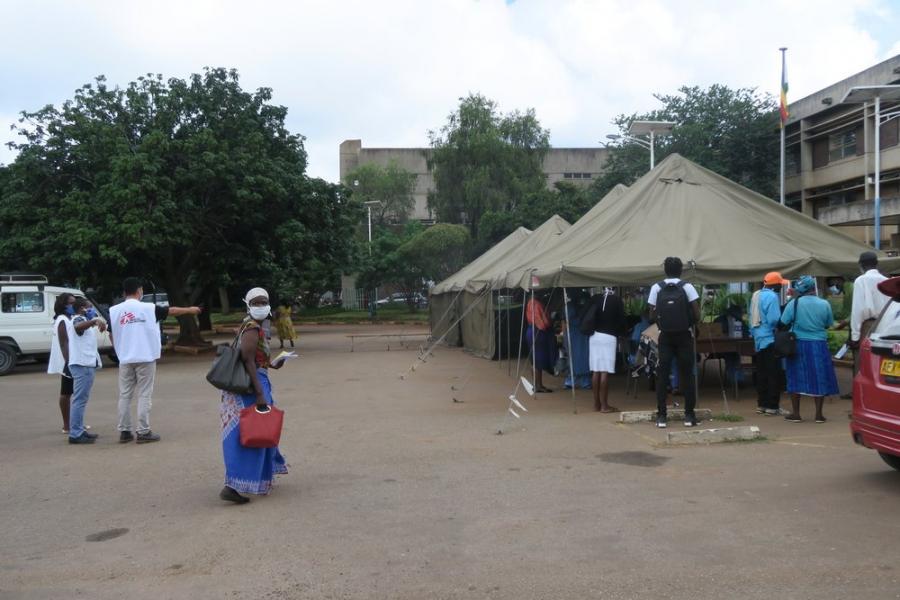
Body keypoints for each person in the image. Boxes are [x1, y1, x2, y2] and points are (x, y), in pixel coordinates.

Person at [109, 277, 202, 444]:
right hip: (145, 356)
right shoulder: (148, 308)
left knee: (125, 395)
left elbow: (111, 333)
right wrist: (190, 309)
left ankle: (124, 431)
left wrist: (120, 349)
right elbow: (171, 311)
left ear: (124, 292)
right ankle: (143, 431)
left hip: (125, 358)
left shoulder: (114, 311)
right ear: (139, 291)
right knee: (144, 393)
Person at [220, 288, 289, 504]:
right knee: (253, 433)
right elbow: (248, 360)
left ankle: (252, 479)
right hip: (251, 388)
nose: (261, 306)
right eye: (257, 302)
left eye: (264, 302)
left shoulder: (252, 326)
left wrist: (273, 364)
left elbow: (256, 358)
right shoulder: (251, 328)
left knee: (257, 432)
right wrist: (259, 393)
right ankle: (233, 485)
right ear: (248, 304)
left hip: (252, 383)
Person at [648, 257, 701, 428]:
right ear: (681, 270)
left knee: (662, 375)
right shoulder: (687, 287)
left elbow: (651, 314)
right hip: (684, 335)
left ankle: (662, 416)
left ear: (665, 270)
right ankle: (689, 415)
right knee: (687, 374)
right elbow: (697, 312)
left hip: (665, 336)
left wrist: (663, 322)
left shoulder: (656, 287)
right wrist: (689, 321)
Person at [780, 275, 839, 423]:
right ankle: (818, 415)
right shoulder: (824, 304)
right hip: (819, 344)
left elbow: (783, 322)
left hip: (798, 344)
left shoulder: (794, 303)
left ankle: (796, 414)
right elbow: (828, 323)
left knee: (795, 377)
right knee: (819, 377)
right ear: (814, 288)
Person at [749, 272, 789, 415]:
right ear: (775, 285)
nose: (781, 287)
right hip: (770, 339)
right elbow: (774, 320)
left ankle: (761, 404)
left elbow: (750, 316)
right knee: (774, 374)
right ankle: (773, 406)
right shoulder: (772, 296)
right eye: (780, 285)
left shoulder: (756, 295)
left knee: (762, 373)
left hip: (758, 339)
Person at [67, 297, 106, 444]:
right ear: (82, 308)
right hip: (82, 365)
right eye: (90, 308)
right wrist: (94, 321)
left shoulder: (82, 320)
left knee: (81, 400)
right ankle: (76, 434)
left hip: (85, 364)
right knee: (79, 400)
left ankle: (79, 430)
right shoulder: (78, 319)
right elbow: (78, 327)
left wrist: (94, 323)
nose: (92, 311)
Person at [588, 287, 627, 412]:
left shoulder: (596, 299)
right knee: (604, 371)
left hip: (594, 337)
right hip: (609, 337)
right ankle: (604, 405)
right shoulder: (616, 300)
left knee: (596, 370)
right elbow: (622, 320)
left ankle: (596, 404)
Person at [849, 251, 889, 375]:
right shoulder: (886, 280)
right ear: (876, 264)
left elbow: (858, 310)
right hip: (885, 326)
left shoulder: (861, 280)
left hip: (867, 326)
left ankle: (861, 391)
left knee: (863, 360)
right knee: (881, 359)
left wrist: (855, 336)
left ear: (861, 265)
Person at [48, 293, 79, 434]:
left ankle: (73, 423)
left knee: (71, 392)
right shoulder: (62, 320)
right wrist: (69, 362)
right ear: (64, 305)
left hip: (70, 360)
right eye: (71, 303)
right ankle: (67, 425)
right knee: (66, 393)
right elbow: (63, 342)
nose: (74, 305)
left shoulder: (68, 318)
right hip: (68, 362)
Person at [525, 291, 556, 393]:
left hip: (532, 331)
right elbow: (542, 324)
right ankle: (538, 385)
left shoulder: (530, 302)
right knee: (537, 360)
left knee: (534, 359)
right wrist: (550, 320)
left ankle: (537, 384)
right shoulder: (536, 304)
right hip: (537, 332)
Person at [562, 292, 591, 390]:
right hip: (575, 334)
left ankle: (579, 381)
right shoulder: (570, 307)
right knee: (577, 358)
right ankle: (578, 381)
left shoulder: (575, 306)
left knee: (578, 358)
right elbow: (571, 320)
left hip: (578, 335)